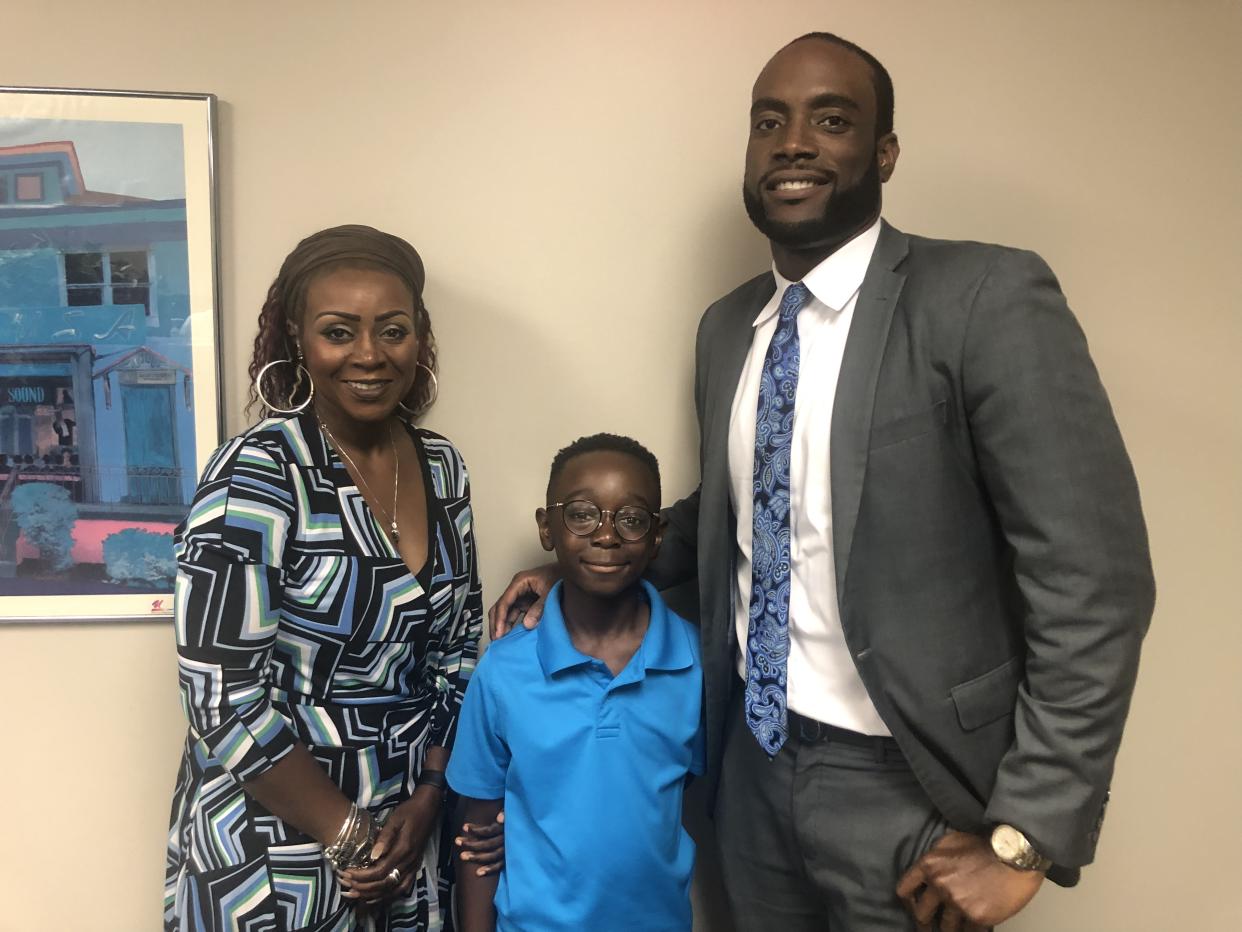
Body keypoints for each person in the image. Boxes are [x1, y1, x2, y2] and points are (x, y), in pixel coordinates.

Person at [490, 33, 1155, 932]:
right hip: (750, 772)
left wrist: (1028, 834)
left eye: (830, 120)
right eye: (769, 122)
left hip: (912, 789)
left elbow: (1094, 578)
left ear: (883, 153)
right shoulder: (728, 328)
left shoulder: (983, 298)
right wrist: (589, 566)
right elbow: (745, 511)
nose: (792, 143)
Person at [165, 225, 500, 932]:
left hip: (410, 828)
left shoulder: (443, 468)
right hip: (273, 843)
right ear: (297, 339)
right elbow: (221, 698)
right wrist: (353, 836)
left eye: (393, 330)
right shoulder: (257, 474)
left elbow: (457, 654)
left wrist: (431, 794)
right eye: (339, 332)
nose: (370, 355)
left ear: (420, 337)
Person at [449, 434, 704, 932]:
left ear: (658, 535)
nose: (606, 535)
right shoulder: (503, 672)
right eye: (582, 514)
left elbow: (669, 787)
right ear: (547, 528)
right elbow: (476, 833)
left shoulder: (695, 664)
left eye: (630, 519)